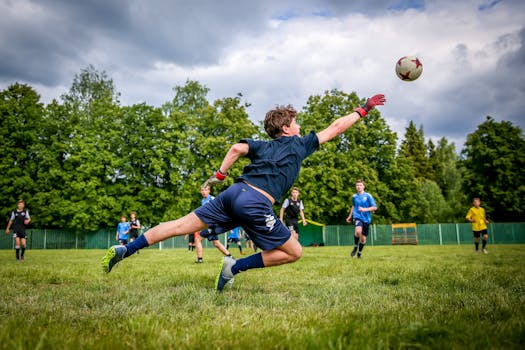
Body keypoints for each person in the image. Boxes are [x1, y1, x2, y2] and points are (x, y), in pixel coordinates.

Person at [102, 93, 386, 291]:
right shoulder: (300, 144)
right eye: (296, 123)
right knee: (294, 251)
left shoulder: (263, 145)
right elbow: (335, 128)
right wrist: (365, 108)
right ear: (287, 129)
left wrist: (220, 174)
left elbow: (237, 149)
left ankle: (125, 249)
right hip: (255, 202)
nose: (300, 127)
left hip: (232, 193)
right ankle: (234, 268)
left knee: (178, 225)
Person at [193, 184, 231, 263]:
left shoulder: (212, 199)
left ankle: (200, 259)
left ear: (209, 191)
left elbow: (221, 209)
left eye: (205, 190)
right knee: (216, 243)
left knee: (197, 239)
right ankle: (230, 257)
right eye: (202, 190)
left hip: (213, 225)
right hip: (208, 225)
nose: (204, 192)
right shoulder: (203, 201)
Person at [345, 179, 377, 259]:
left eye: (360, 185)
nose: (358, 187)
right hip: (357, 216)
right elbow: (353, 206)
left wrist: (365, 209)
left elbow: (374, 207)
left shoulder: (368, 196)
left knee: (363, 239)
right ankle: (355, 247)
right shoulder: (354, 196)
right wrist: (350, 216)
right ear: (356, 187)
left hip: (366, 219)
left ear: (363, 186)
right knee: (358, 231)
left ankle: (359, 253)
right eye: (357, 185)